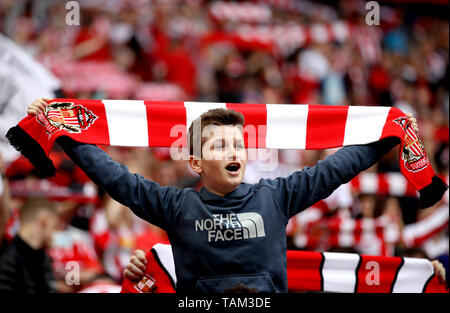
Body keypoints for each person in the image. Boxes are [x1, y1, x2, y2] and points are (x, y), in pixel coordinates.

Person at [27, 98, 419, 293]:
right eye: (220, 147)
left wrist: (388, 132)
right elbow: (116, 178)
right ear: (196, 164)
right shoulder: (175, 205)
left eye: (238, 145)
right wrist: (62, 131)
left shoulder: (277, 196)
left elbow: (336, 168)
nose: (234, 152)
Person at [0, 197, 59, 292]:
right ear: (45, 220)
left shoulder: (44, 258)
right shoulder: (7, 257)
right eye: (55, 226)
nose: (55, 234)